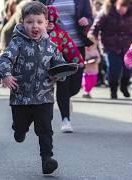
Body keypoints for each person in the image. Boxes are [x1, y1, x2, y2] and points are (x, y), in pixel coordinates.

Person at [0, 1, 65, 174]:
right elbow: (4, 59)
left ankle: (47, 159)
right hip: (21, 97)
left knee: (45, 129)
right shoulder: (17, 43)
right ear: (22, 23)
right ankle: (19, 130)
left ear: (46, 24)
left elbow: (60, 66)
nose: (35, 26)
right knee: (20, 127)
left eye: (39, 22)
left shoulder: (51, 46)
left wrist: (60, 74)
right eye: (30, 22)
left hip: (44, 96)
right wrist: (6, 74)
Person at [41, 0, 94, 133]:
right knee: (63, 83)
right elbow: (34, 12)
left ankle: (64, 99)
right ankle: (66, 119)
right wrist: (43, 25)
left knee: (75, 86)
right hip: (55, 46)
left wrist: (86, 20)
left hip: (77, 45)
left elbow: (90, 16)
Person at [88, 0, 132, 99]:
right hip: (110, 46)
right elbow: (95, 28)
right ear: (116, 3)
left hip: (127, 45)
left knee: (127, 69)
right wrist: (91, 41)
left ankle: (124, 86)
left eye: (125, 7)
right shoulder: (106, 12)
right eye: (121, 6)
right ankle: (113, 89)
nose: (123, 9)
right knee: (113, 70)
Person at [46, 5, 84, 132]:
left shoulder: (61, 33)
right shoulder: (37, 33)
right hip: (42, 68)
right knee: (57, 90)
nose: (50, 24)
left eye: (53, 20)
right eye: (47, 21)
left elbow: (71, 48)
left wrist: (78, 61)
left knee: (74, 88)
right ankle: (65, 119)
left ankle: (65, 102)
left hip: (60, 65)